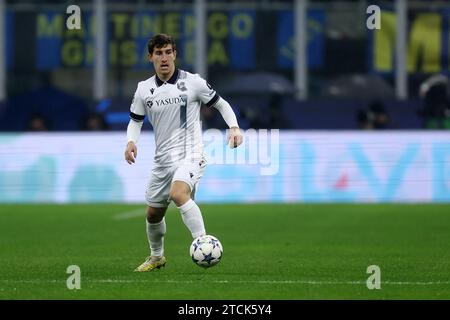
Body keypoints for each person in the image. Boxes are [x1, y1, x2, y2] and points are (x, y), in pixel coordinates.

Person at [124, 34, 243, 272]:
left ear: (175, 54)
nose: (164, 58)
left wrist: (234, 127)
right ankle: (157, 256)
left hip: (191, 154)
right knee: (153, 214)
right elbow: (135, 121)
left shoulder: (193, 82)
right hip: (162, 160)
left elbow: (221, 103)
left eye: (168, 52)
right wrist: (130, 142)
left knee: (178, 194)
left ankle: (203, 242)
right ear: (150, 57)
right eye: (158, 53)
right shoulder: (143, 90)